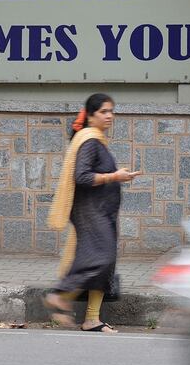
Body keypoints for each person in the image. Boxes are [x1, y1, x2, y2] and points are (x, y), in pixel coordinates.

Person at [44, 93, 139, 333]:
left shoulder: (97, 140)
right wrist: (115, 176)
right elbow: (82, 176)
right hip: (90, 213)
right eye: (104, 111)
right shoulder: (88, 141)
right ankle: (60, 294)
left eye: (111, 111)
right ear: (91, 115)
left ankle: (92, 319)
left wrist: (116, 177)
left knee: (105, 265)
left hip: (102, 213)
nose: (110, 116)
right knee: (101, 259)